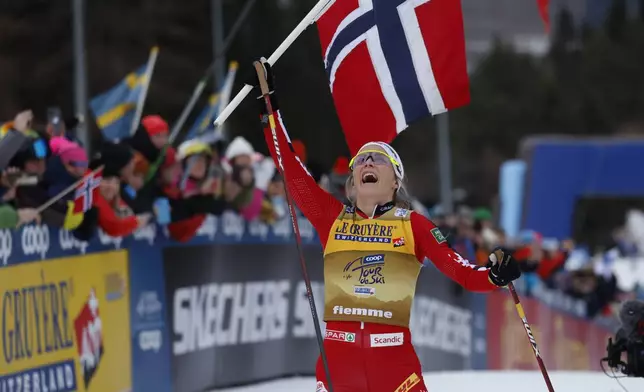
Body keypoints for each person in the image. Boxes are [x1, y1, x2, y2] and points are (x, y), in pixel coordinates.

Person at [251, 60, 522, 392]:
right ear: (353, 178)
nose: (367, 162)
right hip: (339, 361)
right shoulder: (331, 218)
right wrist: (269, 109)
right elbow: (290, 168)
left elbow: (462, 271)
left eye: (377, 159)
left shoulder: (415, 225)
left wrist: (493, 275)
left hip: (394, 363)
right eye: (361, 160)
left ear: (395, 180)